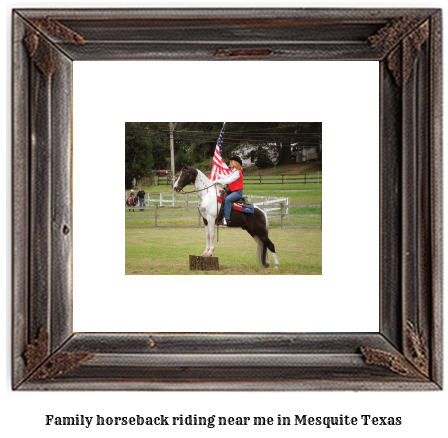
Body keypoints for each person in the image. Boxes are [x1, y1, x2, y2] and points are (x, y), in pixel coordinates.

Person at [214, 156, 244, 226]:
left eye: (231, 161)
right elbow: (227, 177)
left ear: (235, 163)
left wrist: (218, 181)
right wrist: (219, 175)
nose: (229, 163)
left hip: (237, 192)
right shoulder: (233, 171)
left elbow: (229, 180)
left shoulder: (237, 172)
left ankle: (226, 218)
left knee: (227, 199)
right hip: (232, 191)